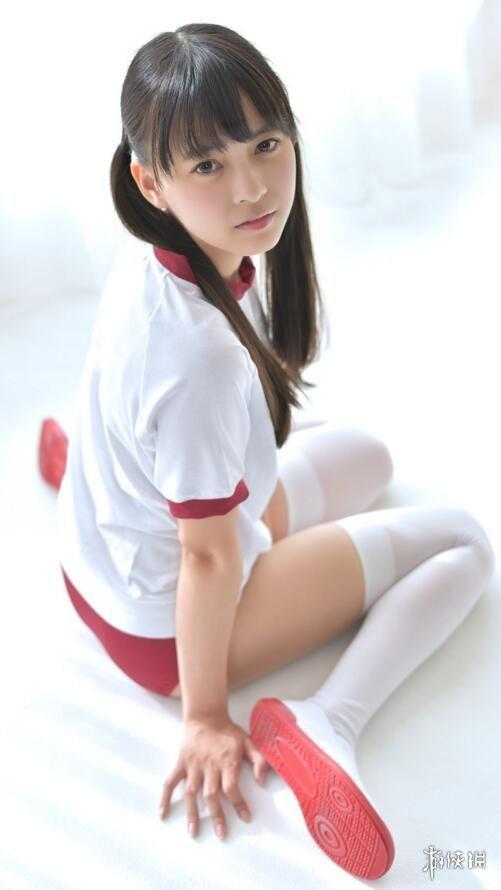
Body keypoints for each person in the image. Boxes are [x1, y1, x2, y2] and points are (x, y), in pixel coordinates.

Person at [39, 23, 495, 881]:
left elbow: (128, 391)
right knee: (464, 543)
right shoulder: (200, 360)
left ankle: (91, 475)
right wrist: (205, 717)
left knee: (370, 457)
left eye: (264, 144)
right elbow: (210, 561)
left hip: (94, 551)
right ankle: (327, 721)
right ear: (150, 181)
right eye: (207, 165)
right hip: (159, 626)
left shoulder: (158, 254)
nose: (251, 187)